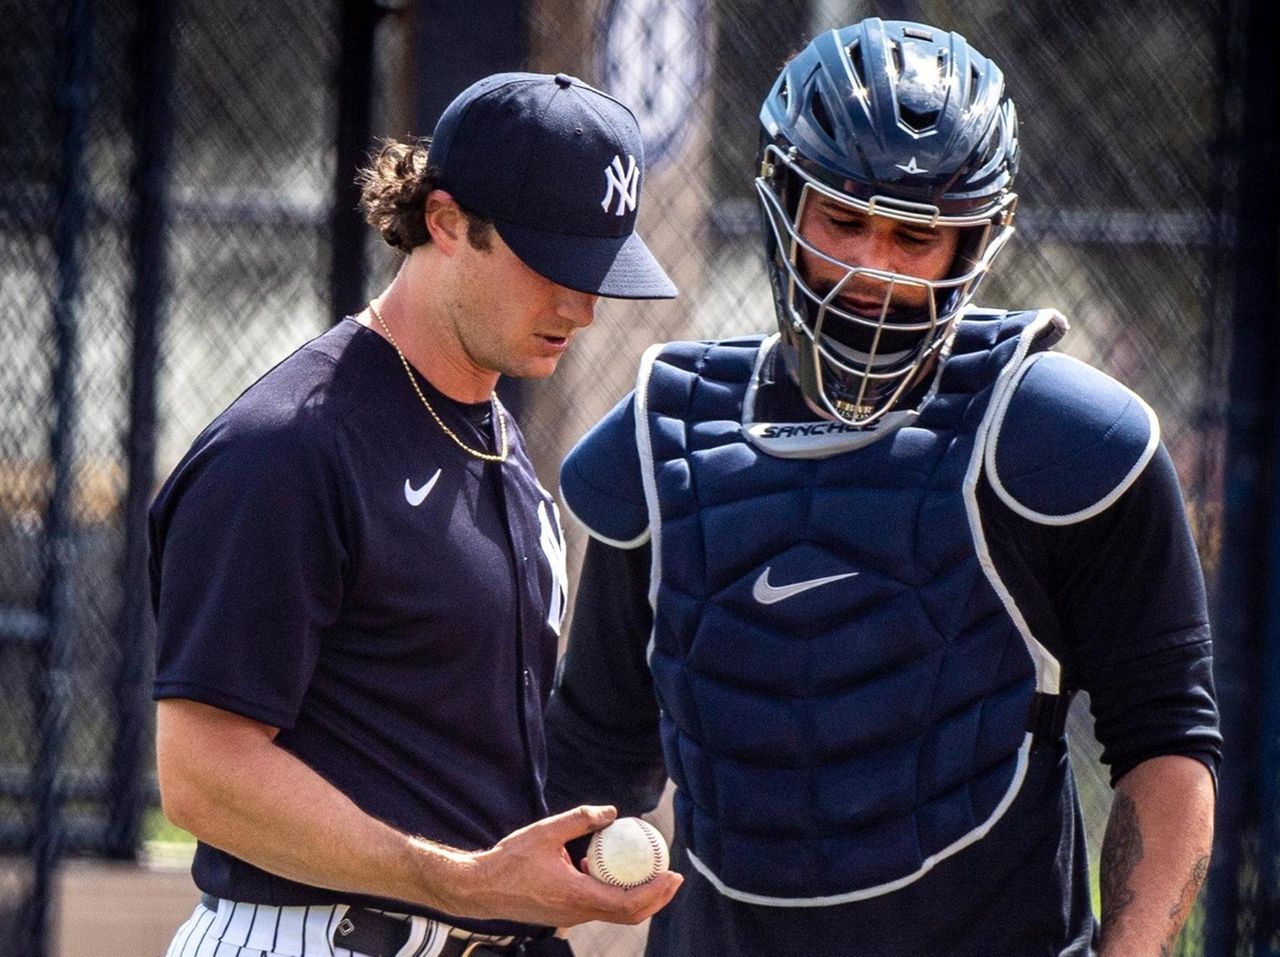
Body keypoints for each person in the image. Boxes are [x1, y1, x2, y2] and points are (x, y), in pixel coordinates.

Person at [545, 19, 1220, 957]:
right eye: (843, 221)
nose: (873, 266)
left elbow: (1168, 741)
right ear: (784, 201)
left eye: (917, 236)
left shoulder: (1067, 444)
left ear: (977, 239)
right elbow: (592, 756)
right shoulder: (664, 443)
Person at [150, 71, 682, 957]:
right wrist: (462, 882)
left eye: (598, 270)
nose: (582, 307)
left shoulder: (499, 443)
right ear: (442, 219)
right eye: (552, 263)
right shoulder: (289, 447)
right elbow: (203, 775)